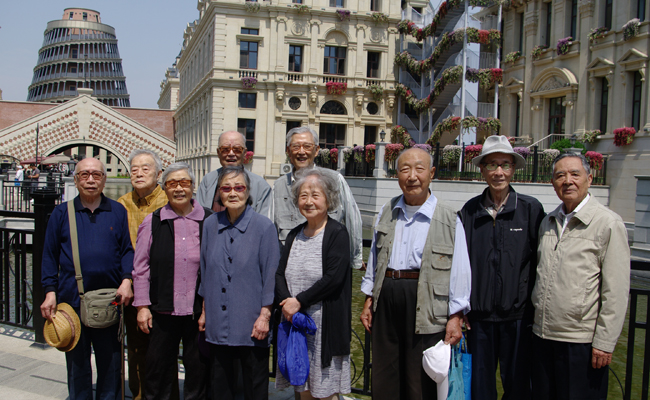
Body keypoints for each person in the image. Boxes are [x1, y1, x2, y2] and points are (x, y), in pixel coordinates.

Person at [359, 147, 471, 400]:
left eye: (419, 169)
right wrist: (368, 298)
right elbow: (375, 259)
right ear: (397, 175)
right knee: (384, 373)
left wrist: (456, 315)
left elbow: (460, 270)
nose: (412, 176)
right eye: (405, 169)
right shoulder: (387, 210)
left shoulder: (448, 217)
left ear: (431, 173)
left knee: (419, 380)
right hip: (387, 296)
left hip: (426, 302)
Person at [531, 153, 630, 400]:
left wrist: (604, 342)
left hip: (580, 341)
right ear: (553, 183)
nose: (568, 181)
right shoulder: (548, 221)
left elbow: (616, 291)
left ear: (590, 179)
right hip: (543, 337)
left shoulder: (608, 223)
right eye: (560, 175)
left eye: (575, 174)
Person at [458, 135, 545, 400]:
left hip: (518, 318)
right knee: (480, 388)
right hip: (479, 318)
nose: (499, 172)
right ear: (482, 170)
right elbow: (459, 264)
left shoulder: (530, 209)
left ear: (513, 169)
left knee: (518, 386)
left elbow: (542, 261)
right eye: (492, 165)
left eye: (505, 165)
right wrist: (460, 309)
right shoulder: (469, 211)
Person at [40, 157, 133, 400]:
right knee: (78, 365)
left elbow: (126, 251)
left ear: (104, 180)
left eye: (96, 175)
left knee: (111, 365)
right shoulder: (62, 213)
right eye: (84, 175)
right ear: (76, 180)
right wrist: (50, 291)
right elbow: (49, 255)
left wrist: (126, 280)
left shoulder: (117, 211)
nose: (90, 180)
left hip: (109, 301)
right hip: (72, 302)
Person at [198, 165, 280, 400]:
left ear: (248, 191)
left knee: (253, 388)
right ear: (219, 193)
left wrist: (265, 316)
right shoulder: (210, 224)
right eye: (226, 188)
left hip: (252, 324)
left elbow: (270, 276)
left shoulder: (264, 227)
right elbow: (205, 270)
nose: (232, 193)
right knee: (220, 387)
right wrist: (204, 311)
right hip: (218, 321)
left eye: (239, 187)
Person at [132, 162, 211, 400]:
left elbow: (217, 268)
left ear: (193, 186)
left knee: (198, 372)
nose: (179, 188)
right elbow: (141, 268)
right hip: (162, 310)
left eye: (184, 183)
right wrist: (142, 307)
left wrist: (209, 307)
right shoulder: (153, 221)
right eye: (172, 183)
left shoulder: (210, 220)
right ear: (164, 188)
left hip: (198, 312)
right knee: (158, 373)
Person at [275, 168, 352, 399]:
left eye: (315, 195)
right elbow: (279, 274)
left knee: (325, 392)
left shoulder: (337, 233)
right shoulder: (294, 234)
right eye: (303, 196)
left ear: (329, 199)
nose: (308, 202)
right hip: (295, 322)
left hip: (323, 327)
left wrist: (299, 301)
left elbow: (333, 279)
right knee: (303, 390)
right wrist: (287, 303)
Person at [269, 126, 363, 270]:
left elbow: (353, 220)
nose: (301, 152)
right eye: (296, 146)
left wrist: (354, 259)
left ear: (316, 150)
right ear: (288, 151)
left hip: (328, 267)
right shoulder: (278, 186)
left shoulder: (334, 180)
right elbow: (270, 229)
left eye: (307, 146)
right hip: (290, 269)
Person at [117, 149, 170, 400]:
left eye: (145, 168)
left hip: (163, 289)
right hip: (132, 286)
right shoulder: (121, 204)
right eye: (134, 169)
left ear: (159, 174)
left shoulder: (170, 202)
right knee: (136, 349)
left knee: (164, 350)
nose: (138, 173)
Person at [196, 131, 271, 215]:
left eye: (237, 150)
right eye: (225, 149)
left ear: (244, 153)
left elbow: (263, 220)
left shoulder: (261, 185)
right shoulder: (208, 180)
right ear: (218, 152)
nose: (231, 154)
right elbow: (199, 215)